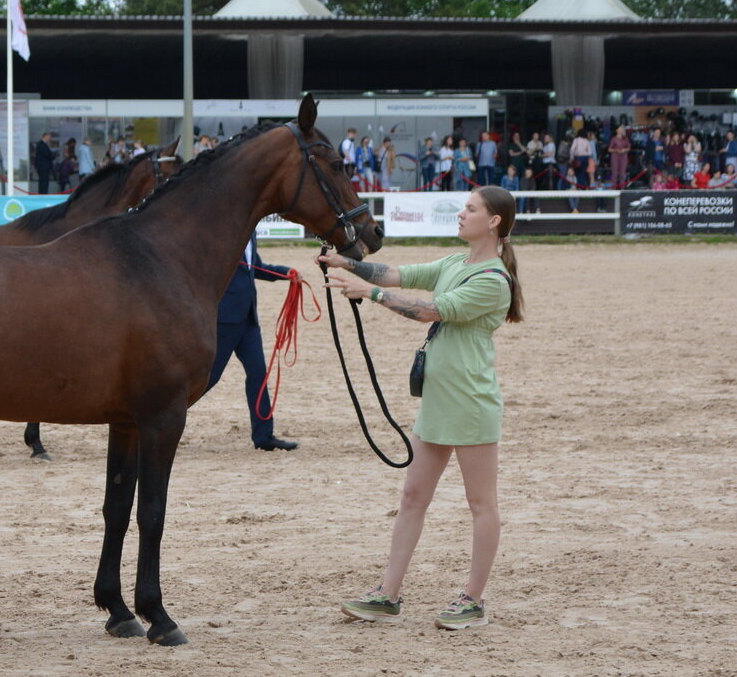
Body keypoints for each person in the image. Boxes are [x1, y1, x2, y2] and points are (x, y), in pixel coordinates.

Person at [320, 185, 523, 631]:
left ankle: (473, 600)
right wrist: (347, 264)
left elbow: (432, 310)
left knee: (480, 503)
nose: (461, 213)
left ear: (493, 221)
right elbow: (398, 274)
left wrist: (366, 293)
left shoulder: (491, 280)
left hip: (470, 402)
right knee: (413, 496)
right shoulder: (456, 263)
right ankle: (387, 594)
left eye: (470, 209)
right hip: (439, 398)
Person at [206, 231, 298, 452]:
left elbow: (256, 267)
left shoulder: (249, 233)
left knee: (258, 375)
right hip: (225, 318)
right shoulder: (221, 236)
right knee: (208, 378)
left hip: (248, 319)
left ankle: (264, 436)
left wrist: (286, 273)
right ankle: (159, 420)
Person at [608, 125, 631, 190]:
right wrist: (616, 150)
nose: (622, 130)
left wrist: (624, 150)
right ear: (617, 130)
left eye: (622, 129)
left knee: (622, 173)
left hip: (623, 156)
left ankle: (622, 188)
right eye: (620, 129)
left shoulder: (625, 138)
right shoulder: (613, 139)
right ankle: (613, 188)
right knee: (614, 172)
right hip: (615, 156)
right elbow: (609, 149)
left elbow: (629, 148)